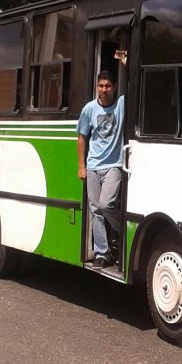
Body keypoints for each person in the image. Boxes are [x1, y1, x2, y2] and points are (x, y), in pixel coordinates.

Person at [77, 64, 125, 268]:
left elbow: (134, 84)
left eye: (107, 86)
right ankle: (102, 253)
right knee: (95, 209)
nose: (104, 89)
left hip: (114, 165)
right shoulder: (89, 109)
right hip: (93, 165)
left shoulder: (121, 104)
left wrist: (125, 63)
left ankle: (123, 233)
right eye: (100, 86)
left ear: (114, 87)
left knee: (106, 205)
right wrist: (81, 166)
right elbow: (81, 138)